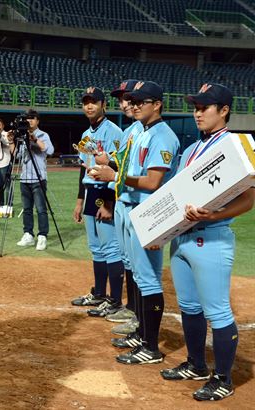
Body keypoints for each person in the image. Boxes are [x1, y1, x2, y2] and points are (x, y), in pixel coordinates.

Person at [160, 83, 253, 401]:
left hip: (210, 239)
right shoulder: (191, 149)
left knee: (217, 311)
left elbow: (249, 200)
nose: (197, 112)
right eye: (195, 107)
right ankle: (196, 364)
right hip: (182, 239)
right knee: (188, 306)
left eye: (205, 107)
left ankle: (223, 378)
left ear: (224, 110)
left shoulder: (234, 146)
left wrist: (213, 217)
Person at [89, 81, 180, 364]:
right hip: (129, 206)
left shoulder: (162, 136)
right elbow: (126, 166)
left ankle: (151, 347)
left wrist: (113, 176)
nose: (135, 105)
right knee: (137, 274)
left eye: (141, 101)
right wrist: (110, 166)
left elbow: (153, 182)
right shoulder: (140, 131)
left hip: (147, 212)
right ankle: (142, 335)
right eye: (133, 101)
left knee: (149, 279)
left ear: (157, 104)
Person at [70, 87, 125, 320]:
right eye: (86, 102)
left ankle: (115, 301)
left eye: (94, 102)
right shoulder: (85, 134)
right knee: (96, 247)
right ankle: (100, 294)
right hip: (91, 191)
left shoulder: (114, 131)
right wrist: (79, 201)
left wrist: (110, 203)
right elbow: (83, 169)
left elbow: (117, 167)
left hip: (107, 191)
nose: (89, 106)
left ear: (104, 105)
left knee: (110, 247)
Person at [106, 80, 144, 336]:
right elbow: (120, 166)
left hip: (138, 204)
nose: (124, 104)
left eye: (129, 98)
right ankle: (132, 308)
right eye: (121, 99)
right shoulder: (131, 130)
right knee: (128, 261)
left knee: (141, 267)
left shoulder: (147, 131)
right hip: (123, 200)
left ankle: (140, 318)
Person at [12, 109, 54, 251]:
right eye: (27, 118)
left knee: (41, 209)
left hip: (38, 178)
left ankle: (42, 236)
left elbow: (49, 150)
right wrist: (11, 141)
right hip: (25, 177)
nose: (29, 121)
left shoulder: (43, 135)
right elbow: (16, 155)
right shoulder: (21, 136)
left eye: (32, 118)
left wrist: (34, 138)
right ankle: (28, 234)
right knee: (27, 209)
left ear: (37, 120)